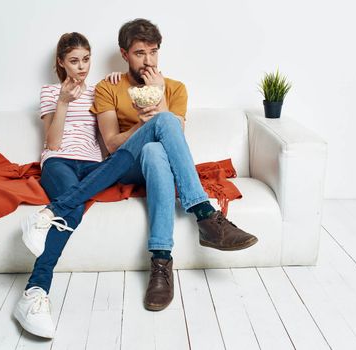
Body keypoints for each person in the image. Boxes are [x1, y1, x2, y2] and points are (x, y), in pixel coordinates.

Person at [88, 18, 259, 312]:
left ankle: (160, 261)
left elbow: (174, 137)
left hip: (158, 166)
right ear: (124, 53)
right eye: (140, 53)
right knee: (157, 130)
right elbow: (113, 144)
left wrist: (160, 97)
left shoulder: (175, 88)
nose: (147, 60)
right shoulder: (109, 87)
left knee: (156, 149)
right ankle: (205, 214)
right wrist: (144, 124)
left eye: (153, 52)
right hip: (124, 164)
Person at [13, 32, 128, 339]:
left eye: (87, 60)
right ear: (61, 63)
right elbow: (52, 141)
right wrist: (63, 101)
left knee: (126, 159)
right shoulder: (50, 92)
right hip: (59, 161)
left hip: (93, 164)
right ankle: (35, 291)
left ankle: (46, 215)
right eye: (74, 61)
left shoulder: (101, 91)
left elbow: (110, 141)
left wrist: (123, 80)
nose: (82, 67)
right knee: (74, 206)